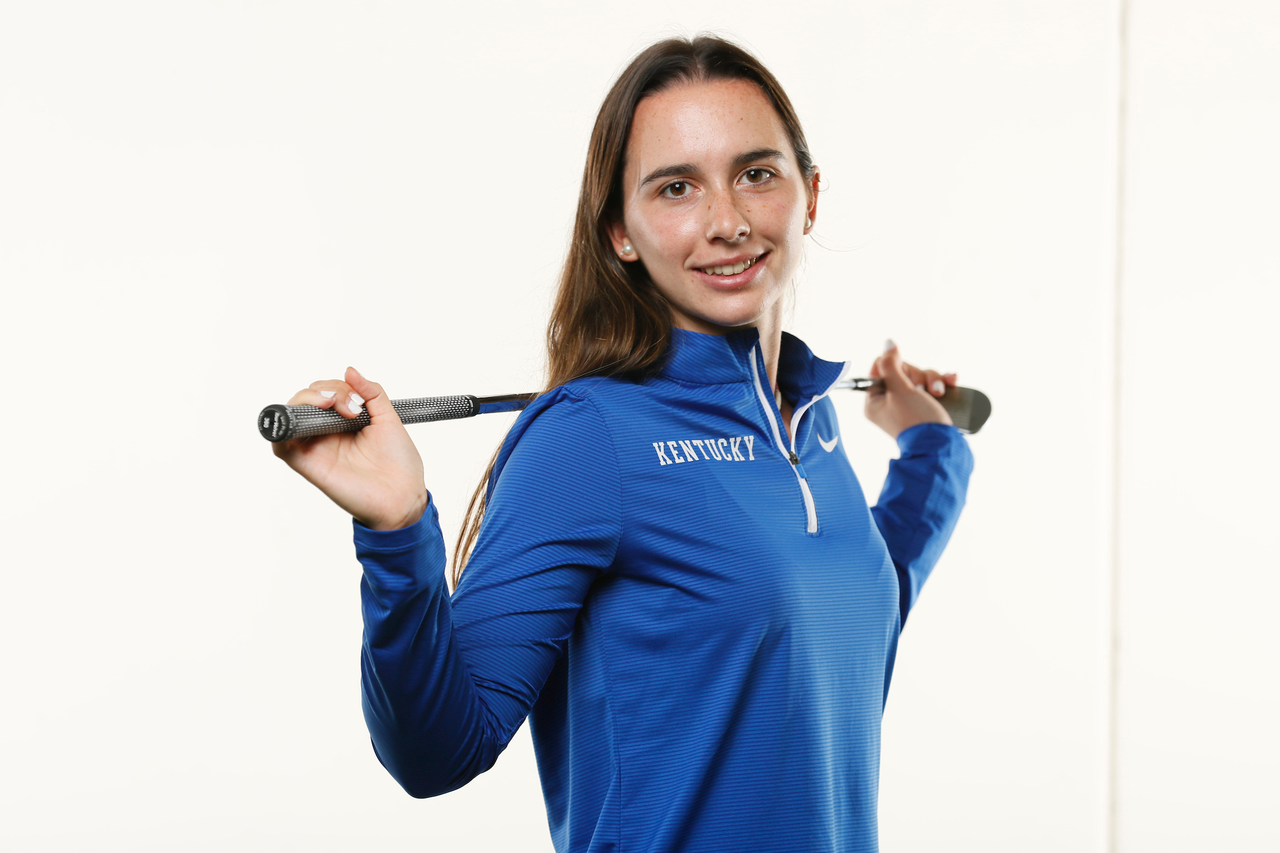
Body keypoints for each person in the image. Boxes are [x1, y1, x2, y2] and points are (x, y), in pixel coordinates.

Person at [274, 35, 973, 853]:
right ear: (621, 232)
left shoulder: (807, 418)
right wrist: (396, 529)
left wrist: (932, 444)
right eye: (676, 188)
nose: (728, 222)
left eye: (756, 173)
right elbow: (436, 752)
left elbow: (852, 608)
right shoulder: (587, 438)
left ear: (810, 195)